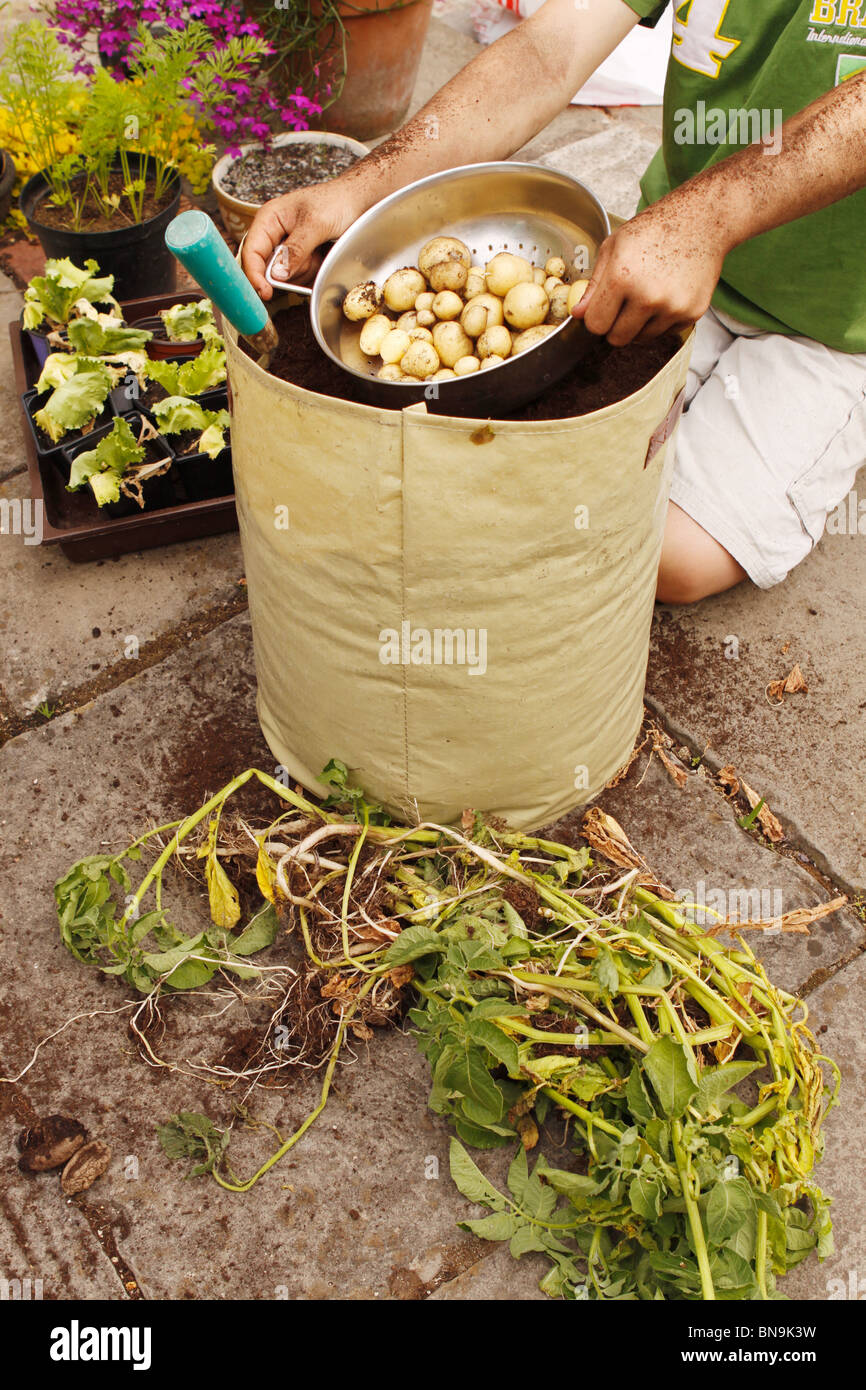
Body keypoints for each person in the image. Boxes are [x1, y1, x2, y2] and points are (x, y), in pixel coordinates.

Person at [243, 0, 866, 604]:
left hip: (831, 321)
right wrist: (363, 190)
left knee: (666, 557)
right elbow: (549, 49)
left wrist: (709, 217)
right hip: (663, 252)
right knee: (525, 471)